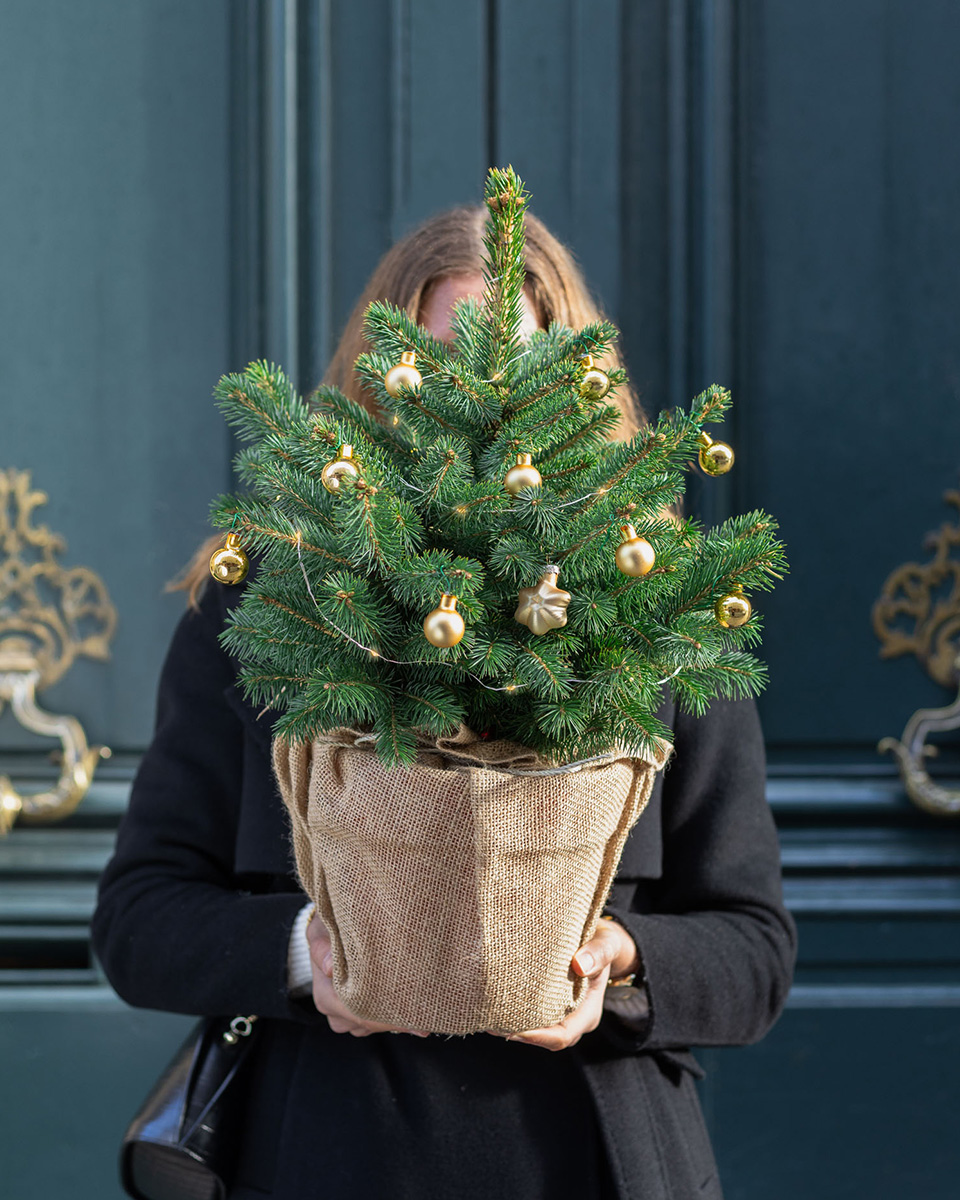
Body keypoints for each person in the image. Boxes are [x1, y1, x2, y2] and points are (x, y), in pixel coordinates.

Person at [91, 205, 797, 1200]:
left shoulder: (656, 608)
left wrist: (619, 962)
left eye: (516, 367)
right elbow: (138, 920)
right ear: (377, 385)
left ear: (578, 389)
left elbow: (755, 950)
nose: (482, 409)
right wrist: (307, 955)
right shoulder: (263, 607)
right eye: (442, 369)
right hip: (325, 1153)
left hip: (592, 1159)